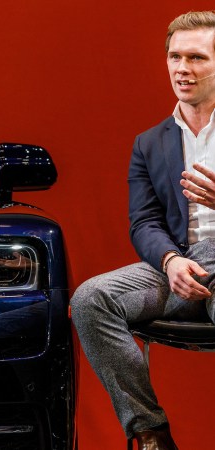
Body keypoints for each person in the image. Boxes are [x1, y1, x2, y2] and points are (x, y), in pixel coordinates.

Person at [70, 10, 215, 450]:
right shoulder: (149, 143)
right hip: (181, 265)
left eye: (196, 58)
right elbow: (145, 222)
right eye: (175, 57)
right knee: (90, 299)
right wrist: (170, 261)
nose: (182, 69)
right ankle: (150, 432)